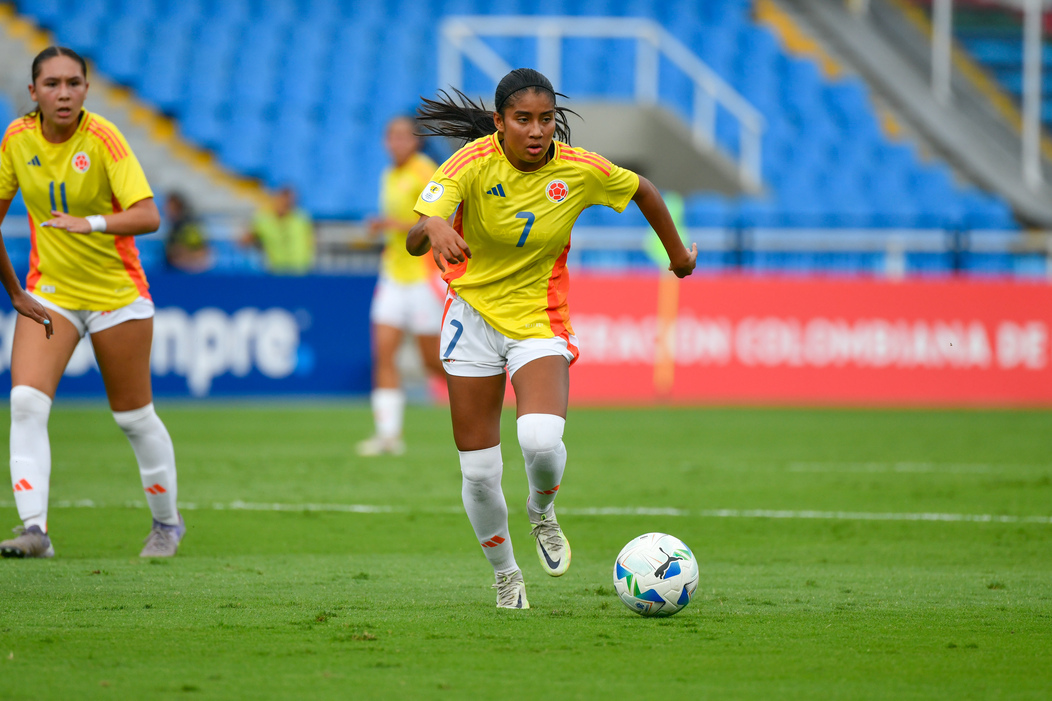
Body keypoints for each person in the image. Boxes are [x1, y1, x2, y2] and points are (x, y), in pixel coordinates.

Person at [408, 68, 697, 608]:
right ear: (500, 123)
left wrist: (677, 255)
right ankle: (506, 576)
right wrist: (433, 226)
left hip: (539, 320)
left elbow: (643, 189)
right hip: (471, 318)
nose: (537, 130)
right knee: (479, 473)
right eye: (523, 119)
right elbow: (418, 230)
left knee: (540, 439)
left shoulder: (579, 169)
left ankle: (541, 511)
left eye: (545, 119)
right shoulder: (470, 162)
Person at [0, 46, 184, 559]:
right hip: (51, 293)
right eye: (52, 84)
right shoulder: (16, 139)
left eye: (74, 83)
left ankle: (167, 524)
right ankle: (34, 531)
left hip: (115, 295)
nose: (64, 93)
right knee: (25, 403)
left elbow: (149, 216)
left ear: (86, 89)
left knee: (134, 418)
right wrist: (15, 292)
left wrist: (92, 223)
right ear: (33, 91)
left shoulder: (104, 139)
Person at [357, 116, 445, 457]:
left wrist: (390, 224)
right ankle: (388, 436)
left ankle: (479, 398)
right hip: (393, 275)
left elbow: (436, 218)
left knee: (432, 361)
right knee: (384, 352)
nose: (397, 142)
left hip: (422, 276)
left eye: (403, 136)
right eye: (392, 136)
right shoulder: (388, 175)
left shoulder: (424, 171)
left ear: (416, 141)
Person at [241, 185, 315, 274]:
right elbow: (246, 240)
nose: (285, 204)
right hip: (276, 270)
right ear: (276, 200)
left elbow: (311, 240)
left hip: (300, 270)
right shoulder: (263, 220)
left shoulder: (301, 218)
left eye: (289, 202)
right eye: (283, 200)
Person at [163, 191, 211, 273]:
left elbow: (203, 251)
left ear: (178, 206)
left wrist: (184, 254)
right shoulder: (174, 227)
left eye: (169, 207)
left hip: (188, 270)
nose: (166, 210)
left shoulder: (190, 225)